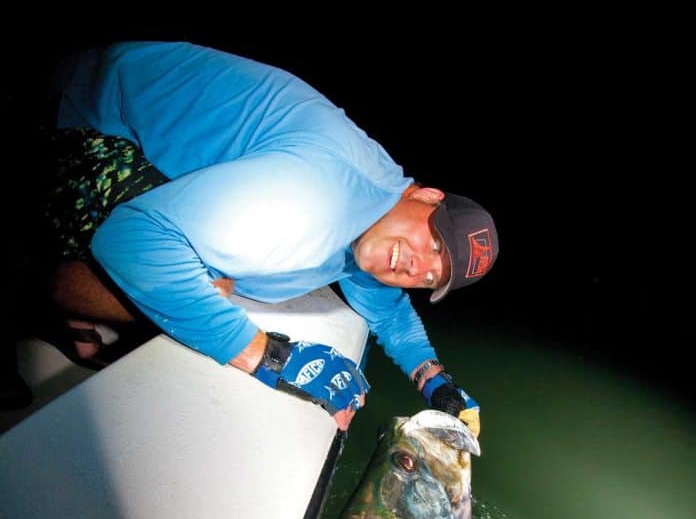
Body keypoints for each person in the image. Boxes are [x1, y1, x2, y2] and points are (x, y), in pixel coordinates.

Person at [42, 40, 498, 433]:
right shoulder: (313, 197)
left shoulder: (383, 207)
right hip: (79, 113)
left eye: (428, 277)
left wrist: (437, 383)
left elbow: (390, 314)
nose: (415, 265)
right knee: (207, 289)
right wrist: (271, 356)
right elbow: (135, 240)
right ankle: (35, 297)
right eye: (435, 243)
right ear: (429, 197)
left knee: (216, 278)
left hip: (139, 128)